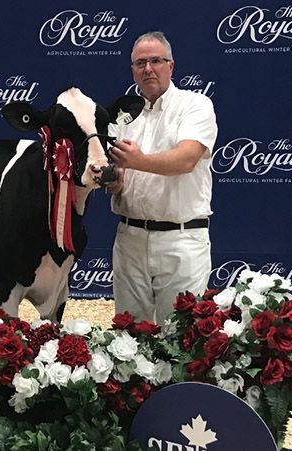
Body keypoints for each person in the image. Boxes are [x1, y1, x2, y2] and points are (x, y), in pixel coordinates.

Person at [106, 31, 218, 322]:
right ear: (132, 70)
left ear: (171, 66)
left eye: (156, 61)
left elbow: (187, 158)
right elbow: (118, 173)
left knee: (180, 336)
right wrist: (114, 181)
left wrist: (139, 161)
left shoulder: (195, 105)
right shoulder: (121, 116)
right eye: (140, 63)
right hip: (129, 237)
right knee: (130, 340)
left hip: (181, 240)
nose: (148, 69)